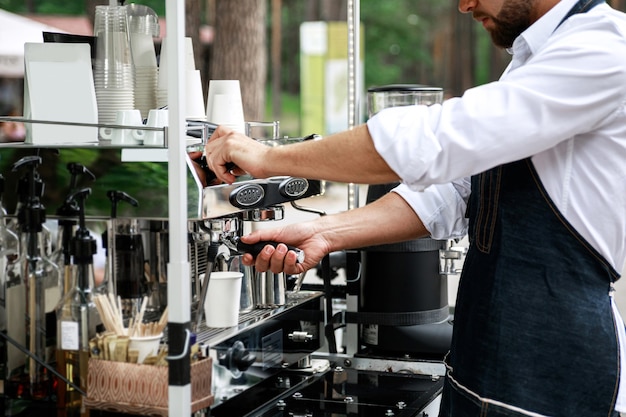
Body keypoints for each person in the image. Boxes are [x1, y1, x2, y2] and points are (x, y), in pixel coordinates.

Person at [205, 0, 626, 415]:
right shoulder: (532, 59)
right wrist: (326, 232)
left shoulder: (602, 47)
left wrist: (268, 158)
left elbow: (439, 140)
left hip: (558, 368)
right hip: (480, 365)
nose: (464, 5)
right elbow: (454, 192)